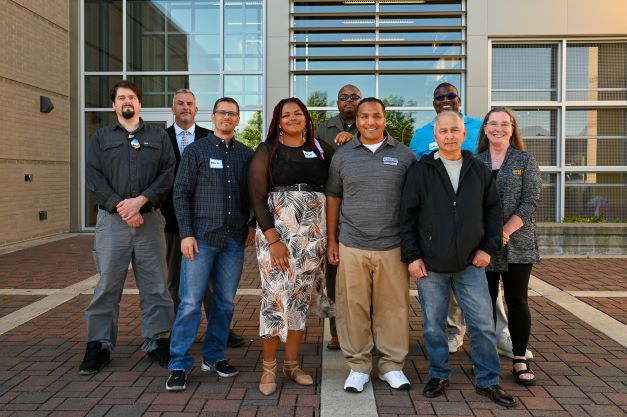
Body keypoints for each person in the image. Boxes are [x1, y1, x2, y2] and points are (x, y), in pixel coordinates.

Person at [400, 110, 515, 407]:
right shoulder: (420, 171)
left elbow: (493, 214)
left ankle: (488, 380)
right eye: (443, 131)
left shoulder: (478, 169)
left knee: (482, 324)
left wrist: (487, 249)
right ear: (435, 136)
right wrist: (412, 257)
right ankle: (438, 374)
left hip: (469, 264)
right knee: (433, 325)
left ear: (464, 134)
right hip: (431, 264)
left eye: (455, 131)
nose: (449, 136)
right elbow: (407, 218)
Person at [409, 82, 529, 360]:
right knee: (448, 298)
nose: (446, 100)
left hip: (475, 229)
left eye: (451, 95)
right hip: (440, 235)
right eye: (440, 97)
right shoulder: (420, 135)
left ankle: (501, 338)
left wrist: (492, 239)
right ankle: (454, 333)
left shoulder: (479, 126)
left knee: (489, 296)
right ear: (433, 103)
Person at [81, 81, 175, 375]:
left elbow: (168, 173)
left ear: (139, 103)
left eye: (131, 97)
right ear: (114, 105)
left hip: (149, 220)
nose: (126, 101)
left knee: (157, 285)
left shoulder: (158, 136)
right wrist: (122, 206)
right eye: (121, 98)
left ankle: (157, 341)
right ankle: (98, 345)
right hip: (113, 222)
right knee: (108, 285)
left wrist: (141, 201)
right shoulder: (100, 137)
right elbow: (93, 176)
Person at [326, 98, 416, 393]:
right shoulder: (342, 155)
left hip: (392, 246)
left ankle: (391, 366)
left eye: (376, 116)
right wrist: (332, 240)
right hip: (352, 243)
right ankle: (359, 366)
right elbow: (333, 198)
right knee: (353, 308)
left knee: (392, 309)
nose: (370, 122)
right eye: (364, 116)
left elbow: (414, 203)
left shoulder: (404, 156)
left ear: (385, 118)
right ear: (358, 119)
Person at [165, 97, 255, 391]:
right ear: (213, 117)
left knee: (225, 303)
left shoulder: (246, 155)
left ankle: (214, 357)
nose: (227, 117)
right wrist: (186, 233)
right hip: (201, 239)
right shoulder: (196, 151)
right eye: (222, 113)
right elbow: (180, 194)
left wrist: (252, 224)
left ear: (238, 120)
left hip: (232, 240)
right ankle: (178, 363)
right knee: (190, 303)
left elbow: (257, 195)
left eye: (233, 113)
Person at [249, 97, 335, 396]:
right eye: (286, 115)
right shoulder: (267, 150)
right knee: (275, 299)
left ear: (306, 118)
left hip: (312, 236)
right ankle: (269, 368)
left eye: (298, 113)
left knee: (300, 298)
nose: (293, 118)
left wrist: (349, 139)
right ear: (279, 120)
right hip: (278, 236)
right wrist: (273, 238)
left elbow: (342, 175)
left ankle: (292, 365)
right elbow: (258, 196)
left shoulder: (320, 149)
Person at [476, 107, 541, 386]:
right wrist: (487, 237)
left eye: (505, 124)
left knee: (517, 300)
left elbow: (530, 201)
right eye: (493, 123)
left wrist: (503, 231)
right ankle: (487, 356)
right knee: (484, 301)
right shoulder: (475, 162)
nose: (498, 128)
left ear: (512, 129)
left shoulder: (525, 160)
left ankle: (518, 358)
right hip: (483, 245)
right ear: (485, 129)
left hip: (518, 242)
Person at [314, 84, 362, 350]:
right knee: (333, 275)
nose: (349, 101)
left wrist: (353, 140)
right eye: (344, 97)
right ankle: (336, 331)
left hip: (359, 209)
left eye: (354, 97)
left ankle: (362, 331)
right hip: (331, 210)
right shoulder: (324, 129)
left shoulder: (367, 124)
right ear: (337, 101)